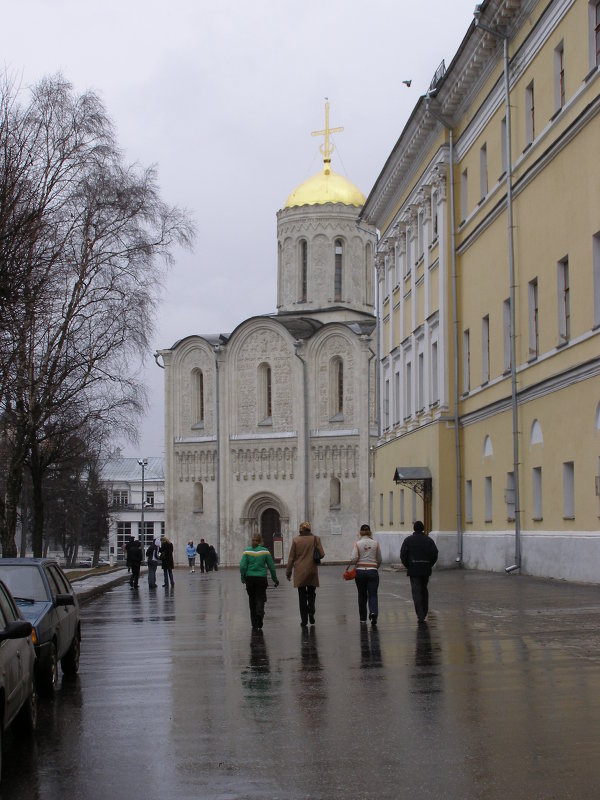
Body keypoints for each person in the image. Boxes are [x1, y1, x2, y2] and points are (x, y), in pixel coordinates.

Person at [286, 521, 324, 627]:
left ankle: (304, 620)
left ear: (300, 530)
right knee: (312, 593)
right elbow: (321, 554)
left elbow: (291, 558)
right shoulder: (316, 539)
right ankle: (311, 611)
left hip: (300, 571)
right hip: (312, 570)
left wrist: (288, 572)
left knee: (301, 596)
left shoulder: (296, 540)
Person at [400, 520, 438, 624]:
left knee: (416, 591)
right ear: (422, 528)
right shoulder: (428, 540)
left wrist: (409, 565)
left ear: (414, 529)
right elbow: (434, 554)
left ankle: (420, 614)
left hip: (414, 569)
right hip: (425, 569)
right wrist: (429, 564)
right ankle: (424, 611)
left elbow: (403, 554)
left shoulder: (408, 540)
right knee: (424, 590)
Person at [239, 533, 279, 629]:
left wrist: (242, 577)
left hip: (250, 579)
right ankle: (260, 614)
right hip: (261, 579)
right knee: (260, 598)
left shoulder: (247, 551)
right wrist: (275, 579)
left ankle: (254, 623)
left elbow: (243, 566)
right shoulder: (265, 552)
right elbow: (271, 567)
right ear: (261, 540)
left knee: (252, 600)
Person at [349, 524, 382, 625]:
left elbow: (353, 558)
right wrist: (375, 567)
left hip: (360, 572)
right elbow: (379, 559)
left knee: (362, 595)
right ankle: (373, 613)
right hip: (372, 571)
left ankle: (363, 618)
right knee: (373, 594)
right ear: (370, 532)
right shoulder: (375, 543)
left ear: (360, 532)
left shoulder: (357, 544)